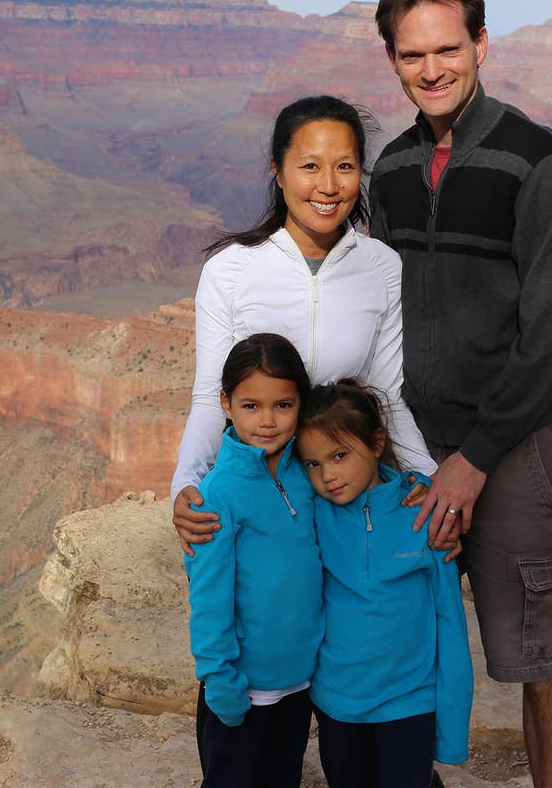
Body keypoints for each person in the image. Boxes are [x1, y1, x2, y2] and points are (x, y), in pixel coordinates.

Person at [368, 0, 552, 788]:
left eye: (447, 49)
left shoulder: (541, 166)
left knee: (538, 656)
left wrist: (474, 460)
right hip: (409, 459)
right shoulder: (388, 169)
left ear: (482, 44)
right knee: (404, 652)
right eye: (411, 54)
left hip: (513, 454)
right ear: (392, 59)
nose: (431, 69)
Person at [171, 94, 439, 554]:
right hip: (259, 498)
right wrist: (186, 481)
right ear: (277, 170)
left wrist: (426, 478)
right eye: (310, 167)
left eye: (346, 167)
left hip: (346, 493)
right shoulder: (230, 271)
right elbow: (210, 396)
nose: (329, 186)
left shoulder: (381, 268)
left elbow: (387, 395)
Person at [298, 380, 473, 788]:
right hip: (337, 705)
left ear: (376, 443)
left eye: (340, 455)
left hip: (409, 703)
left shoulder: (424, 514)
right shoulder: (314, 515)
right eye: (313, 464)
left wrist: (451, 729)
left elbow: (450, 621)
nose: (328, 475)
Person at [185, 332, 323, 788]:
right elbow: (209, 598)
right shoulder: (218, 494)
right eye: (251, 406)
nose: (267, 420)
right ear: (226, 403)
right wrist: (220, 680)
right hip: (239, 691)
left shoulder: (307, 475)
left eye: (283, 405)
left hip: (296, 686)